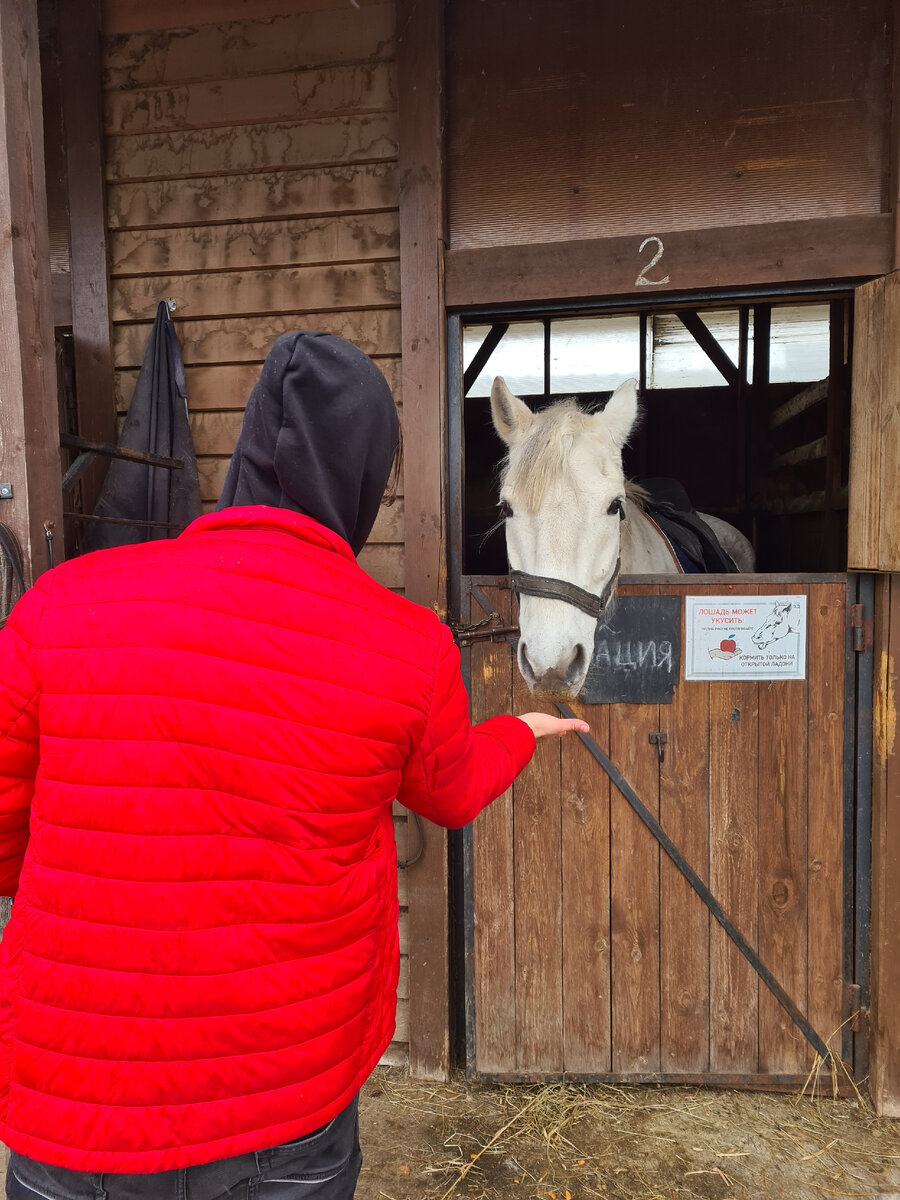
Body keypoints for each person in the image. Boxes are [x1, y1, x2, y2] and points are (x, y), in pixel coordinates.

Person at [0, 332, 587, 1200]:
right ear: (360, 477)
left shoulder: (62, 605)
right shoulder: (406, 646)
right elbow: (450, 789)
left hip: (79, 1105)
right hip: (282, 1102)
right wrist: (518, 734)